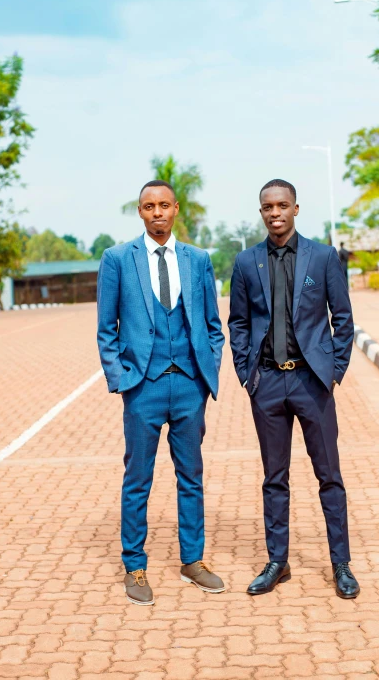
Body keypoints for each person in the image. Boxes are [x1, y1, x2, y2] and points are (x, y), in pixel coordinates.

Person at [228, 179, 360, 599]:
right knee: (274, 478)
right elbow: (239, 323)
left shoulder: (322, 258)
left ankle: (341, 564)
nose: (275, 213)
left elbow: (343, 319)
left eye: (282, 205)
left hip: (311, 382)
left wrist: (333, 371)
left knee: (329, 476)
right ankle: (277, 561)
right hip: (267, 383)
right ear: (261, 212)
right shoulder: (247, 263)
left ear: (296, 209)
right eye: (267, 207)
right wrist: (247, 374)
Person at [97, 180, 226, 605]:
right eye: (149, 206)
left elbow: (212, 326)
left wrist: (207, 373)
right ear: (140, 212)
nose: (157, 213)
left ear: (175, 209)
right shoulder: (117, 259)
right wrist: (122, 379)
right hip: (142, 388)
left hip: (189, 385)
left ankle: (193, 561)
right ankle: (135, 566)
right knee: (138, 480)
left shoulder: (198, 259)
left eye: (164, 205)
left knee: (192, 477)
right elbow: (106, 331)